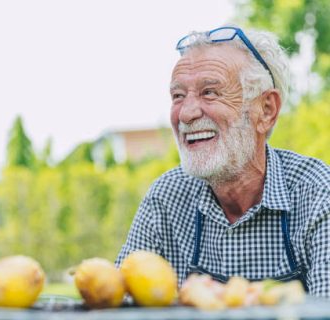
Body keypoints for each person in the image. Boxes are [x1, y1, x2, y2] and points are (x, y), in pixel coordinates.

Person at [115, 25, 330, 298]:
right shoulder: (166, 198)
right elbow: (119, 304)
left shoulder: (318, 194)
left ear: (266, 110)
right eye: (178, 96)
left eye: (210, 92)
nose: (186, 114)